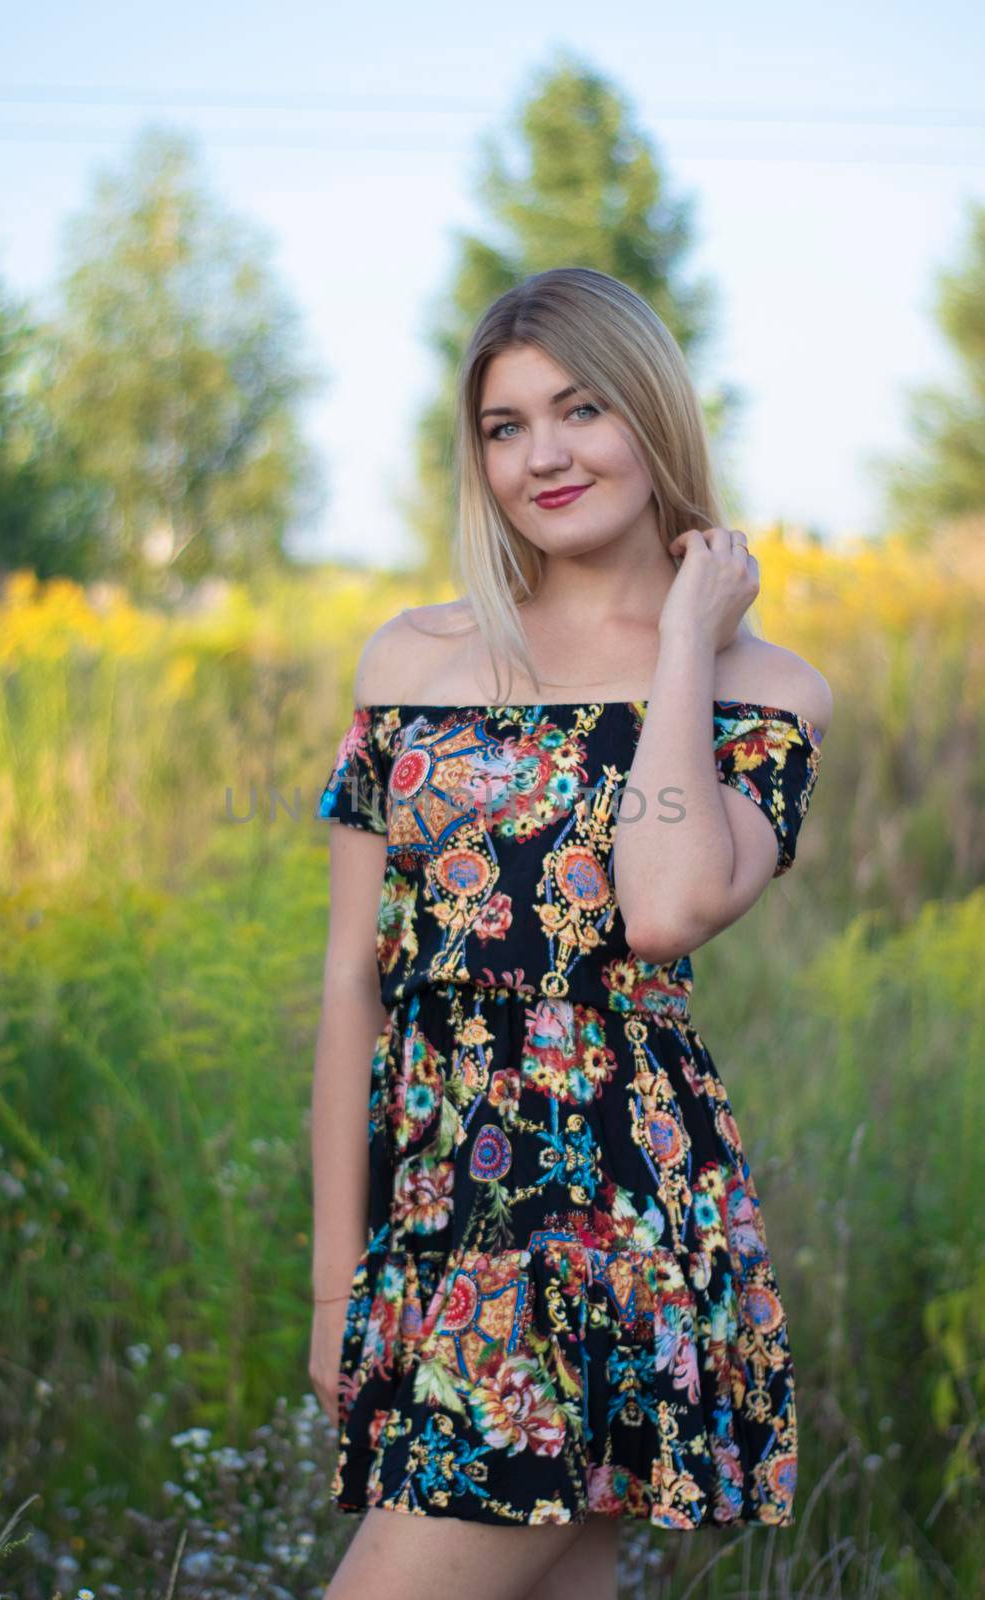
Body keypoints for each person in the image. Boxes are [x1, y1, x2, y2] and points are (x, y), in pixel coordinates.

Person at [309, 266, 833, 1600]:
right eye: (504, 425)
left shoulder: (764, 692)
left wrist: (680, 645)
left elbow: (661, 909)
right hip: (435, 1222)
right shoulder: (413, 663)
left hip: (607, 1223)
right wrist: (338, 1289)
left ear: (653, 416)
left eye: (581, 409)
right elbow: (351, 993)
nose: (542, 454)